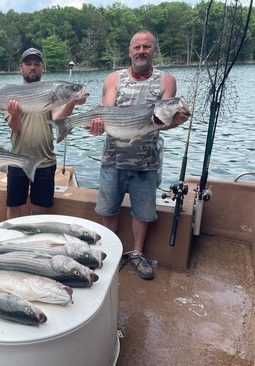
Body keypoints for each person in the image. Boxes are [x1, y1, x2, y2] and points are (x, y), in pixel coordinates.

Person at [90, 30, 189, 280]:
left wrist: (177, 120)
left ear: (154, 50)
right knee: (108, 209)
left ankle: (137, 253)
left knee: (143, 213)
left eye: (147, 47)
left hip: (147, 161)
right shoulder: (115, 78)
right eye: (137, 47)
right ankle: (108, 252)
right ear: (130, 51)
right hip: (113, 158)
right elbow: (106, 113)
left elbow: (163, 120)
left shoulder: (166, 80)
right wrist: (97, 124)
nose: (142, 51)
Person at [5, 48, 86, 219]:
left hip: (45, 160)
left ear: (43, 67)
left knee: (40, 208)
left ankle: (36, 239)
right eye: (28, 64)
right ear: (21, 67)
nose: (32, 67)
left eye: (36, 64)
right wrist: (15, 114)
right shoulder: (11, 92)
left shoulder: (53, 91)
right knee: (14, 206)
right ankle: (11, 241)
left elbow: (57, 118)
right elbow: (15, 128)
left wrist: (71, 101)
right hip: (17, 159)